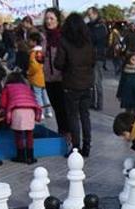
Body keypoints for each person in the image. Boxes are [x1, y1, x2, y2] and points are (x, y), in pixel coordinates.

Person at [54, 13, 95, 157]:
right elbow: (93, 61)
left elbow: (58, 63)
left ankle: (76, 148)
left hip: (70, 84)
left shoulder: (64, 42)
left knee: (73, 117)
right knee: (85, 116)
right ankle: (87, 146)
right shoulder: (88, 42)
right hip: (87, 83)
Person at [0, 71, 43, 164]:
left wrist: (4, 110)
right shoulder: (26, 87)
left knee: (18, 134)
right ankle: (30, 157)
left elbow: (3, 103)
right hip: (30, 110)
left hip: (17, 111)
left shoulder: (7, 88)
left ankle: (21, 156)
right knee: (29, 134)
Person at [43, 8, 69, 139]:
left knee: (64, 110)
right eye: (47, 18)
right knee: (57, 109)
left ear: (58, 21)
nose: (48, 21)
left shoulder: (62, 37)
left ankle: (69, 138)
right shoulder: (44, 37)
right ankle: (62, 135)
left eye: (51, 18)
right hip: (48, 79)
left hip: (61, 79)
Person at [27, 32, 53, 119]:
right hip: (44, 76)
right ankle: (48, 111)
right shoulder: (43, 51)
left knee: (37, 95)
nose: (28, 42)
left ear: (34, 42)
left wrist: (29, 73)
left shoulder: (33, 53)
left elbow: (34, 67)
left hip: (36, 78)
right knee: (45, 95)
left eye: (30, 41)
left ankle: (40, 112)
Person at [87, 7, 108, 111]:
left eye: (90, 14)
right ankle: (91, 102)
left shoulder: (101, 26)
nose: (88, 16)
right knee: (91, 81)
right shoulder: (90, 26)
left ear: (95, 14)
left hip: (98, 56)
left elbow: (94, 38)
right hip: (89, 56)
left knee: (97, 81)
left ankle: (99, 104)